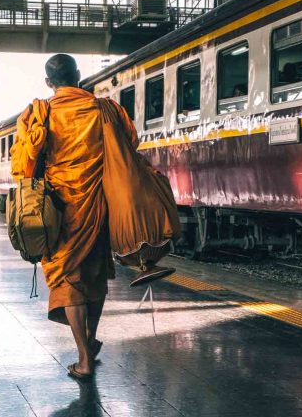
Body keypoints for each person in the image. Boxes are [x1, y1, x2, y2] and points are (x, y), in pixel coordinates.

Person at [11, 54, 179, 381]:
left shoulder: (37, 113)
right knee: (95, 276)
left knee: (67, 280)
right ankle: (89, 341)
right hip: (100, 205)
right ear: (79, 77)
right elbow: (129, 144)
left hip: (58, 211)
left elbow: (23, 164)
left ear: (49, 83)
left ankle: (84, 357)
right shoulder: (107, 109)